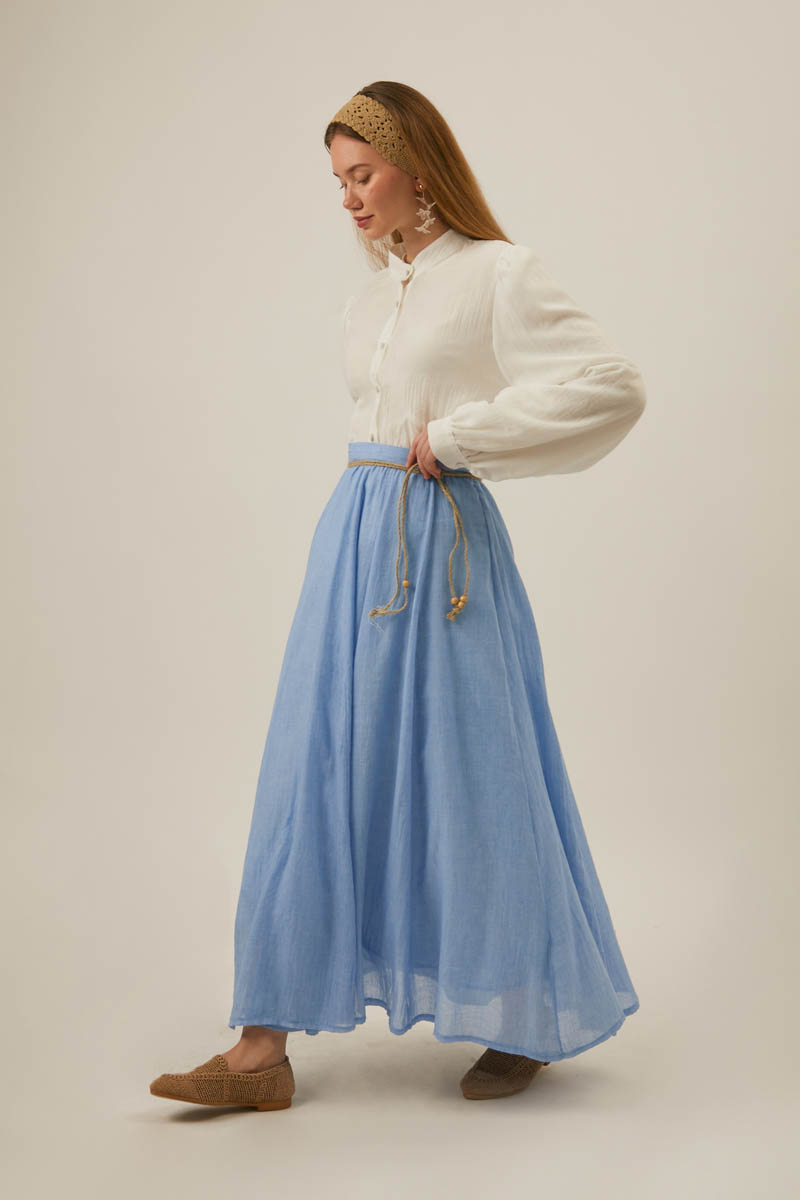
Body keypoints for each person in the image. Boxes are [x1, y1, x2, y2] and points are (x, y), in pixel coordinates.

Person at [150, 81, 646, 1111]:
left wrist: (462, 436)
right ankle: (260, 1047)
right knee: (312, 768)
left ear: (417, 167)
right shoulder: (370, 296)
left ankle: (519, 1013)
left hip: (444, 552)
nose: (346, 197)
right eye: (337, 179)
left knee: (475, 776)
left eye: (361, 173)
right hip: (354, 539)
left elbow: (610, 384)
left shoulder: (496, 273)